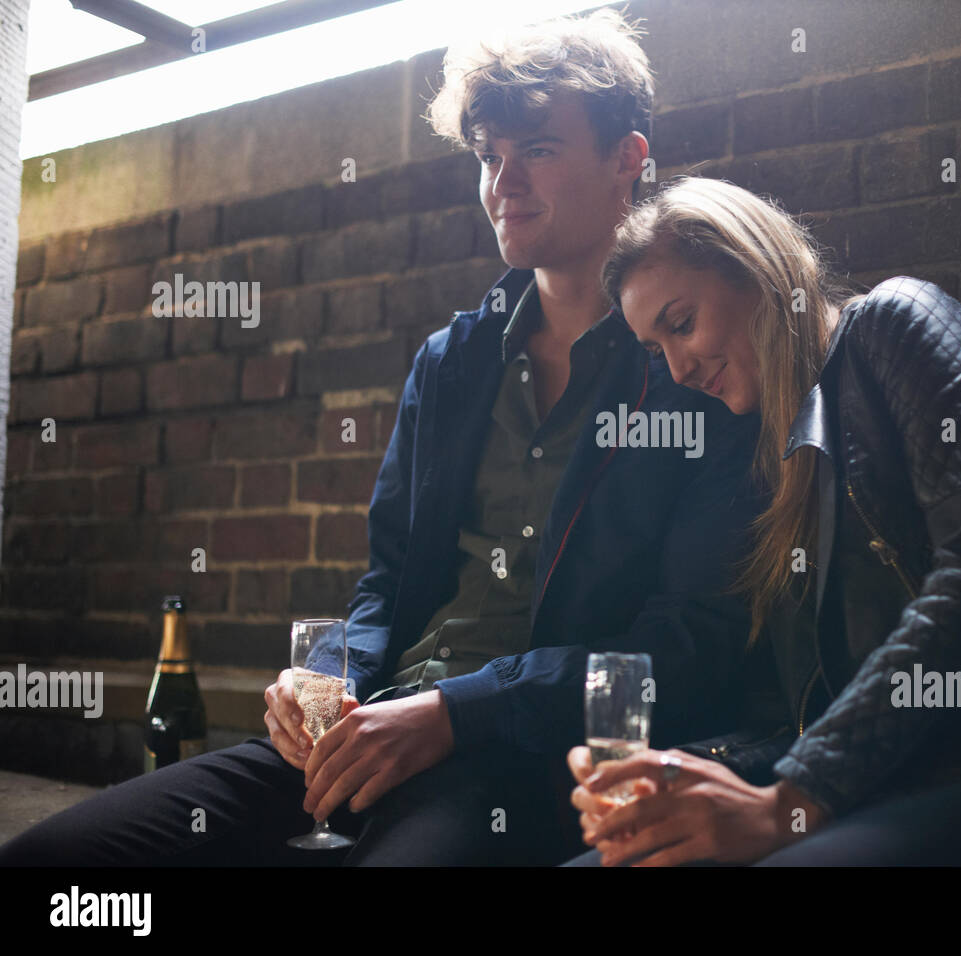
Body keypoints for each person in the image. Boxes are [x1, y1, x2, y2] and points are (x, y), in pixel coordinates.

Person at [0, 11, 762, 867]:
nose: (503, 182)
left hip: (521, 766)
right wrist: (331, 679)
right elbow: (388, 583)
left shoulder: (695, 365)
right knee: (52, 862)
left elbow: (688, 644)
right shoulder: (450, 363)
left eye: (538, 149)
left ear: (628, 156)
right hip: (367, 733)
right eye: (487, 156)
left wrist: (458, 713)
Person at [565, 176, 961, 866]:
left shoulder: (897, 319)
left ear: (757, 270)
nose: (676, 370)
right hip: (905, 757)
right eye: (655, 349)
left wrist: (790, 801)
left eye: (680, 324)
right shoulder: (779, 450)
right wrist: (686, 776)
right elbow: (820, 708)